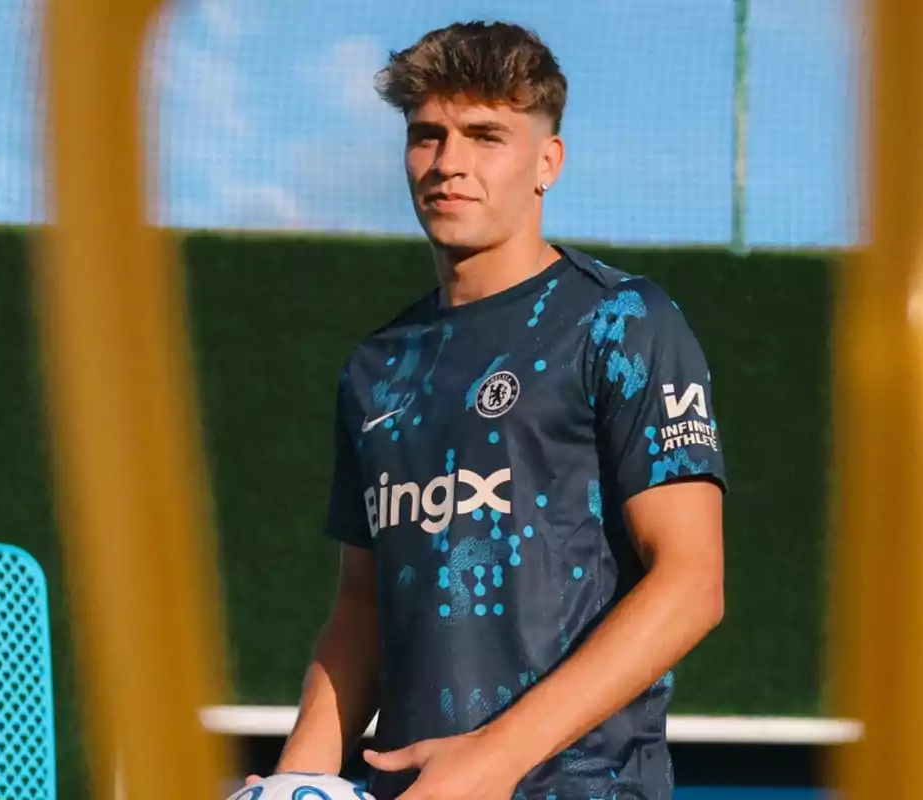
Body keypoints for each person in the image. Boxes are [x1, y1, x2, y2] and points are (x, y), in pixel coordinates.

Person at [254, 20, 727, 800]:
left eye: (485, 136)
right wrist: (294, 783)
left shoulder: (622, 322)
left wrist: (494, 756)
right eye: (427, 135)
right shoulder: (379, 366)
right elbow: (361, 609)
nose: (448, 164)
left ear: (548, 162)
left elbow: (691, 582)